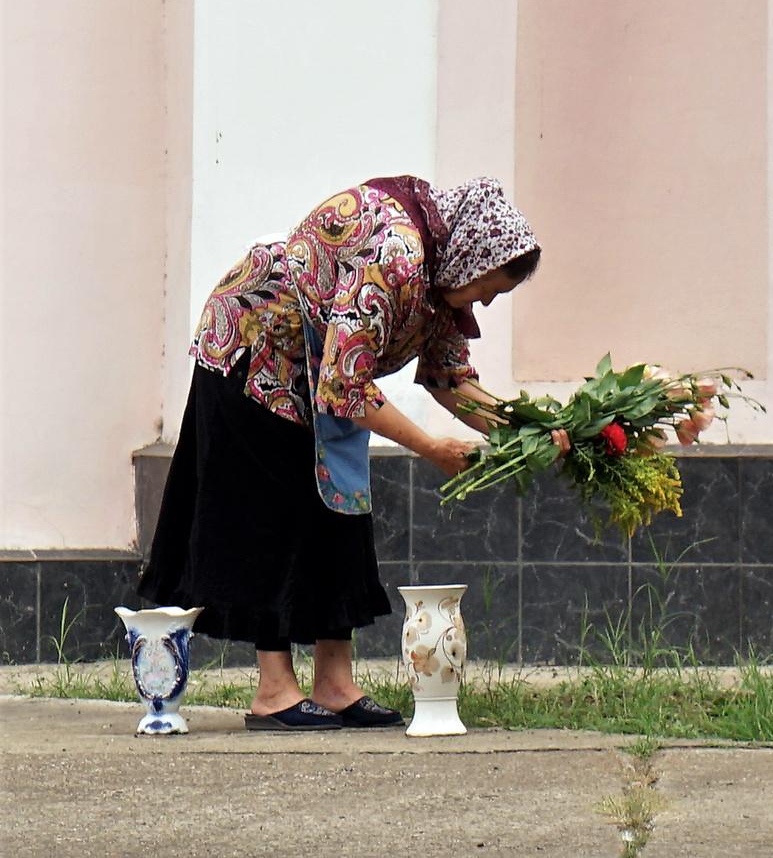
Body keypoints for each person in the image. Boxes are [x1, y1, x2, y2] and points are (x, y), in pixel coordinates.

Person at [138, 175, 540, 730]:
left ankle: (334, 683)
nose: (488, 301)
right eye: (489, 288)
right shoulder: (396, 258)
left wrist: (533, 431)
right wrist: (428, 446)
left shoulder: (440, 282)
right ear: (469, 258)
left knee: (341, 504)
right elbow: (346, 387)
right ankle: (274, 689)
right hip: (258, 344)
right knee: (272, 513)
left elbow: (449, 378)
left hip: (320, 368)